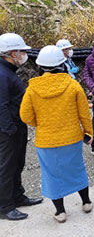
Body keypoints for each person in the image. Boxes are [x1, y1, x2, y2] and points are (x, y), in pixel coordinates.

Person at [20, 46, 94, 223]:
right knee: (77, 169)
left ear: (40, 66)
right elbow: (84, 112)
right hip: (72, 137)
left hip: (46, 140)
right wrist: (88, 132)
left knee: (51, 175)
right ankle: (86, 202)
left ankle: (60, 212)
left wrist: (41, 124)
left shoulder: (32, 89)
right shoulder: (72, 85)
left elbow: (25, 115)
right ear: (62, 64)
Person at [0, 33, 43, 221]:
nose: (24, 55)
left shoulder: (8, 71)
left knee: (18, 163)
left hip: (16, 126)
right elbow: (0, 104)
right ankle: (5, 206)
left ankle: (17, 196)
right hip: (8, 129)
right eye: (21, 51)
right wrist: (8, 129)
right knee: (6, 167)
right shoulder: (2, 74)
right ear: (11, 53)